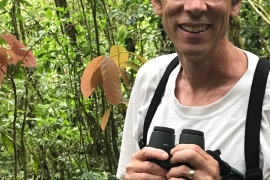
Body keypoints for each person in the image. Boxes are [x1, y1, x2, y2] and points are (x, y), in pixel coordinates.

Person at [116, 0, 270, 179]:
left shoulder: (264, 92)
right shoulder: (151, 78)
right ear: (157, 3)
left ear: (235, 4)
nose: (195, 6)